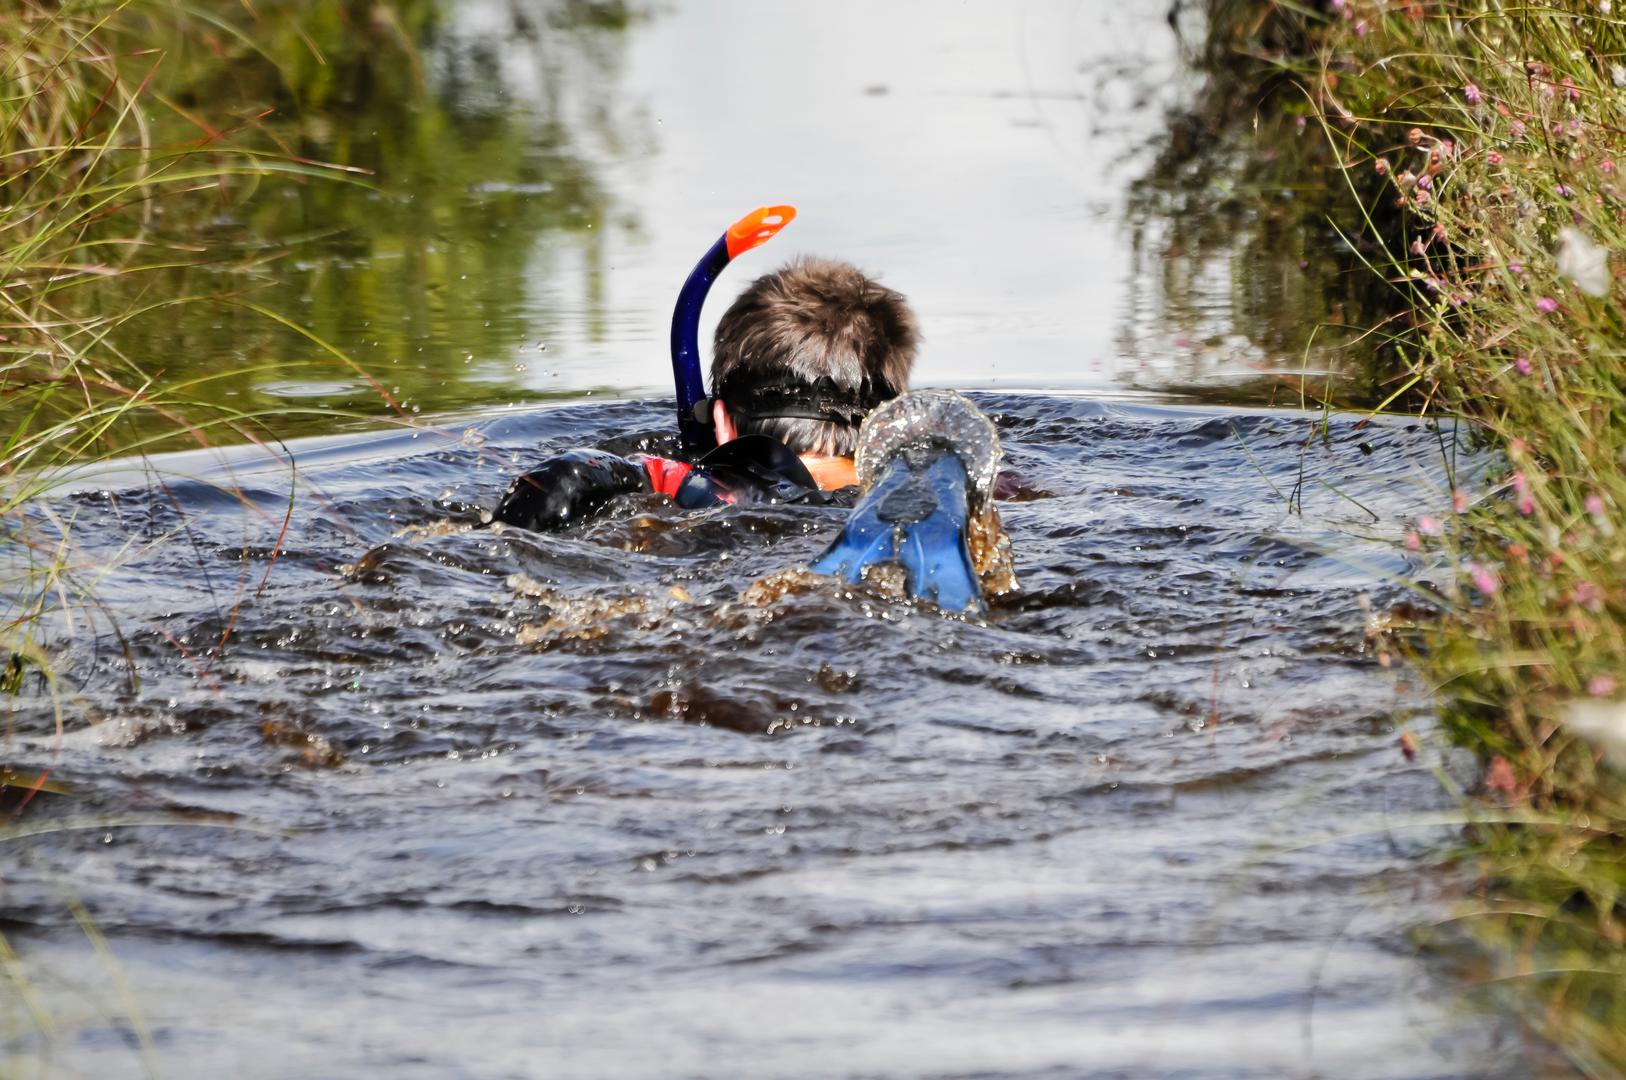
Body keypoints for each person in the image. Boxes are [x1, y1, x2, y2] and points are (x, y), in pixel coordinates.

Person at [491, 256, 919, 531]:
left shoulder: (696, 487)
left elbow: (570, 476)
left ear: (720, 421)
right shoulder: (929, 487)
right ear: (890, 425)